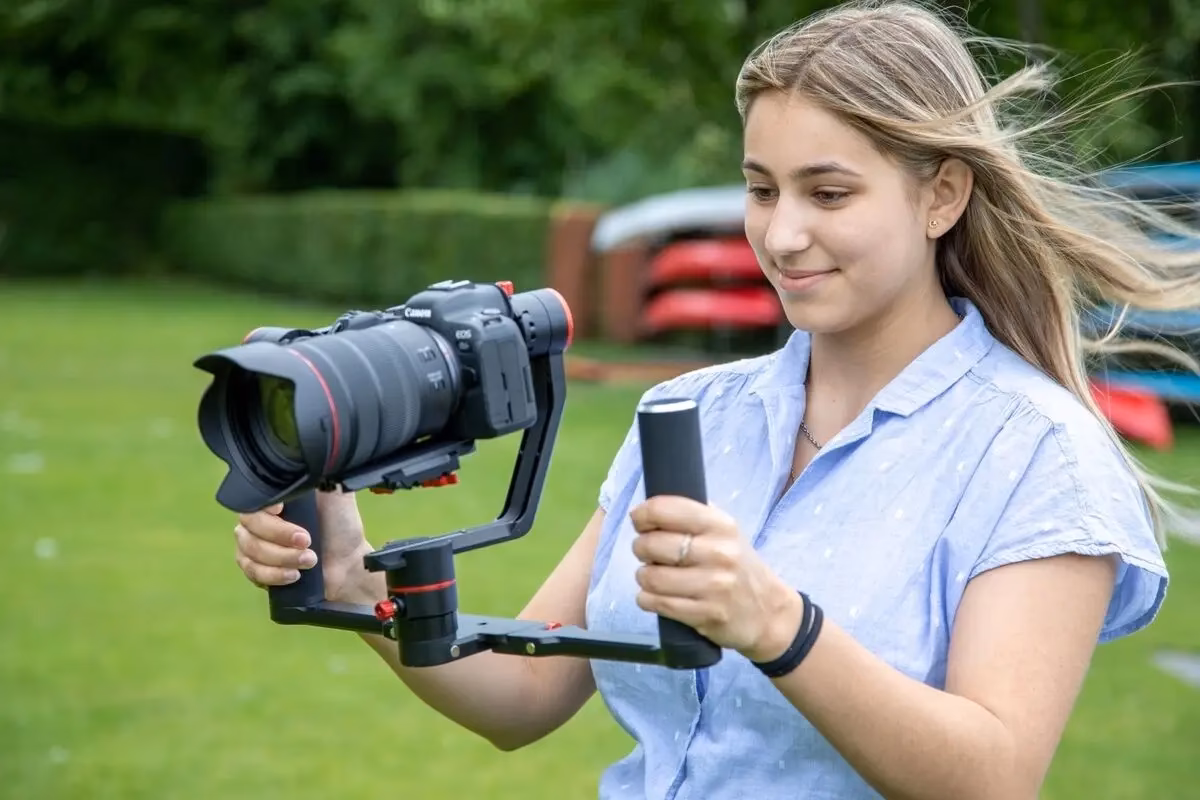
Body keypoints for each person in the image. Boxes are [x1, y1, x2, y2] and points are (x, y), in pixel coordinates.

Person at [230, 1, 1199, 797]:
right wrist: (354, 577)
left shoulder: (1037, 452)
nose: (780, 236)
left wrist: (780, 625)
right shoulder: (693, 413)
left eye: (828, 193)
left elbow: (993, 776)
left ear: (941, 194)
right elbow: (524, 692)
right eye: (761, 188)